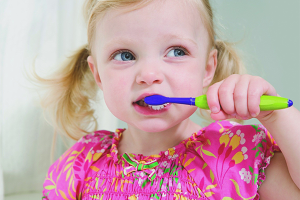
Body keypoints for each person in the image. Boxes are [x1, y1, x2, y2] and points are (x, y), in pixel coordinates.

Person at [40, 0, 300, 199]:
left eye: (176, 51)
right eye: (124, 55)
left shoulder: (235, 154)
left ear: (208, 69)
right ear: (98, 74)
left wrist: (276, 115)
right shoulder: (81, 164)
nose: (149, 75)